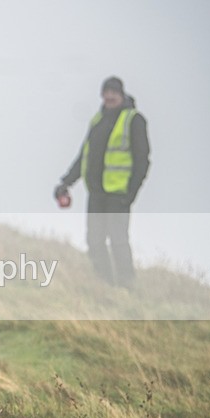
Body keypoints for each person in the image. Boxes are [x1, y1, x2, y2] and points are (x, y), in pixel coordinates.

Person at [54, 76, 151, 289]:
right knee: (95, 241)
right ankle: (105, 283)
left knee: (118, 241)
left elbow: (143, 161)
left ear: (121, 94)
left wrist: (131, 194)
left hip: (119, 194)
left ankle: (127, 285)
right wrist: (66, 183)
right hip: (97, 193)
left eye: (113, 92)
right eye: (106, 92)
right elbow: (84, 158)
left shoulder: (134, 120)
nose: (109, 96)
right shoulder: (97, 121)